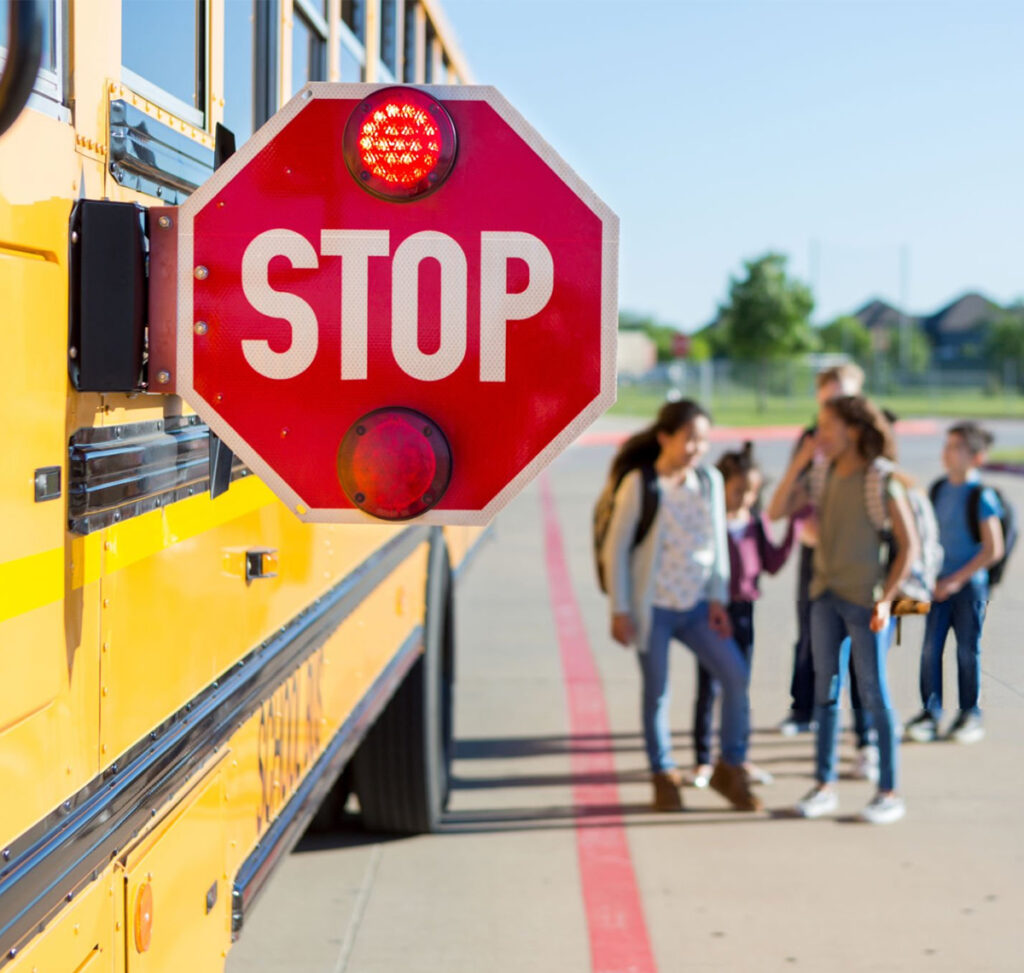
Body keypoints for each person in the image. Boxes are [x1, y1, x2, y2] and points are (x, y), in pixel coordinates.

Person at [603, 400, 762, 813]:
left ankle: (730, 766)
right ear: (665, 438)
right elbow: (615, 548)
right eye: (689, 438)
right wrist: (620, 609)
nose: (696, 448)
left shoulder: (708, 481)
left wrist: (717, 598)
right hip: (652, 607)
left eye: (703, 440)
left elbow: (716, 543)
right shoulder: (641, 484)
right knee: (657, 692)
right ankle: (664, 775)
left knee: (735, 675)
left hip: (696, 608)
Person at [771, 396, 917, 824]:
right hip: (825, 598)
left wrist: (888, 600)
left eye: (827, 426)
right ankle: (824, 785)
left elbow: (910, 547)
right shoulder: (822, 471)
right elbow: (776, 510)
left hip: (866, 603)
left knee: (875, 697)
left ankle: (888, 792)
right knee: (826, 697)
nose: (819, 435)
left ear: (852, 430)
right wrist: (799, 462)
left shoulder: (878, 478)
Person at [767, 364, 879, 784]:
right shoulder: (814, 453)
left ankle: (868, 744)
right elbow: (780, 507)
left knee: (863, 662)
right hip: (821, 564)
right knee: (817, 648)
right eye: (828, 402)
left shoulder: (872, 462)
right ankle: (816, 743)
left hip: (861, 573)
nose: (833, 413)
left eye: (843, 401)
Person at [689, 442, 802, 789]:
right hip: (712, 611)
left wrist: (794, 528)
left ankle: (738, 755)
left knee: (740, 687)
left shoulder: (755, 520)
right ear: (722, 487)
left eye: (752, 492)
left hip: (744, 612)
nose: (746, 498)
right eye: (740, 490)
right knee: (709, 687)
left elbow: (771, 563)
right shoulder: (708, 521)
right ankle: (703, 760)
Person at [904, 422, 1004, 744]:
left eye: (954, 447)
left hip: (969, 588)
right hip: (936, 586)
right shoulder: (938, 489)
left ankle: (969, 715)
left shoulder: (981, 495)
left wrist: (955, 581)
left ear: (974, 457)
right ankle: (930, 714)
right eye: (946, 445)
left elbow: (994, 549)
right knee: (930, 649)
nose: (946, 453)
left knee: (966, 651)